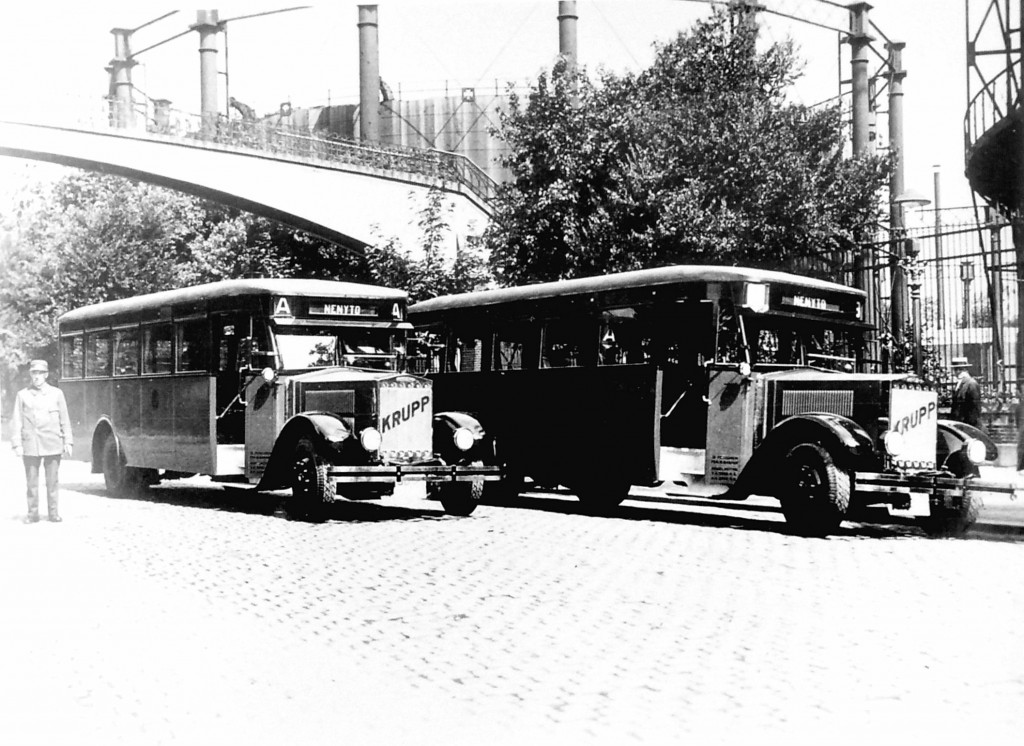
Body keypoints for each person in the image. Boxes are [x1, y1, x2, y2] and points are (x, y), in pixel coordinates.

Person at [11, 359, 73, 523]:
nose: (36, 376)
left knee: (52, 481)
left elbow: (64, 418)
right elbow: (16, 420)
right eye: (34, 373)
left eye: (40, 373)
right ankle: (32, 514)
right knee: (31, 482)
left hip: (52, 442)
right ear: (30, 374)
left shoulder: (56, 394)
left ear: (46, 375)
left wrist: (68, 441)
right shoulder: (22, 395)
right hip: (31, 443)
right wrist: (17, 444)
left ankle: (53, 513)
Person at [950, 356, 982, 429]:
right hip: (959, 424)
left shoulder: (971, 384)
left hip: (967, 425)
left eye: (959, 369)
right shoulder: (960, 384)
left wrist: (970, 427)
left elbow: (975, 408)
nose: (955, 372)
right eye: (956, 369)